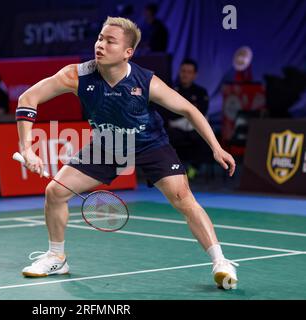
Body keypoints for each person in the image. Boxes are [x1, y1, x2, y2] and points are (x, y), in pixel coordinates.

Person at [16, 17, 238, 289]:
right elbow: (28, 98)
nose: (100, 45)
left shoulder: (145, 81)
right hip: (107, 145)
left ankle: (220, 261)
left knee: (183, 198)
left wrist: (216, 147)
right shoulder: (77, 75)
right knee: (55, 192)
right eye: (100, 38)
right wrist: (27, 148)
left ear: (127, 52)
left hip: (149, 144)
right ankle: (56, 257)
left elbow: (188, 110)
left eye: (110, 41)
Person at [164, 59, 211, 179]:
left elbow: (202, 111)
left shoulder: (201, 92)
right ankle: (172, 169)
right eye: (183, 71)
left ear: (195, 75)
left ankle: (194, 168)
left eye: (189, 72)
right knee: (167, 138)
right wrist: (189, 111)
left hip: (194, 128)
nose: (185, 74)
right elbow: (168, 113)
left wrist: (180, 110)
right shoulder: (171, 90)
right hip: (176, 128)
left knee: (204, 138)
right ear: (179, 72)